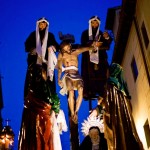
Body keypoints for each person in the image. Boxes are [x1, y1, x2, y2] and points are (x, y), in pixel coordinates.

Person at [18, 17, 60, 150]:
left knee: (47, 82)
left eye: (44, 24)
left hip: (46, 66)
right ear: (38, 25)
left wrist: (52, 47)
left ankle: (47, 98)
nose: (42, 26)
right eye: (40, 24)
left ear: (46, 25)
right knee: (33, 82)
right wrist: (33, 50)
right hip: (34, 65)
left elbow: (56, 46)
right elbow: (27, 46)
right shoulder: (33, 35)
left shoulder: (51, 35)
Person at [89, 63, 144, 150]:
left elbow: (108, 108)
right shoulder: (123, 91)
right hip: (126, 125)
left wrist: (98, 110)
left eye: (108, 71)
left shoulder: (110, 85)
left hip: (117, 124)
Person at [57, 41, 98, 123]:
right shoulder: (62, 55)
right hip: (68, 75)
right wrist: (58, 79)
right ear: (62, 49)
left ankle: (76, 111)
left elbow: (86, 49)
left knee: (81, 89)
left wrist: (93, 46)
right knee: (71, 91)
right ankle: (72, 112)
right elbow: (59, 68)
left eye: (68, 47)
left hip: (77, 74)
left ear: (70, 45)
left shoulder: (76, 51)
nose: (67, 49)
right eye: (65, 48)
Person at [80, 15, 112, 99]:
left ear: (98, 24)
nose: (94, 24)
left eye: (96, 23)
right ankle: (90, 92)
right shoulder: (85, 33)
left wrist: (107, 38)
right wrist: (91, 43)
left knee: (101, 74)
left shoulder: (101, 33)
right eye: (93, 22)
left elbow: (107, 45)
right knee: (89, 75)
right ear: (90, 23)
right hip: (88, 59)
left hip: (100, 58)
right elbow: (83, 43)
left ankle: (102, 91)